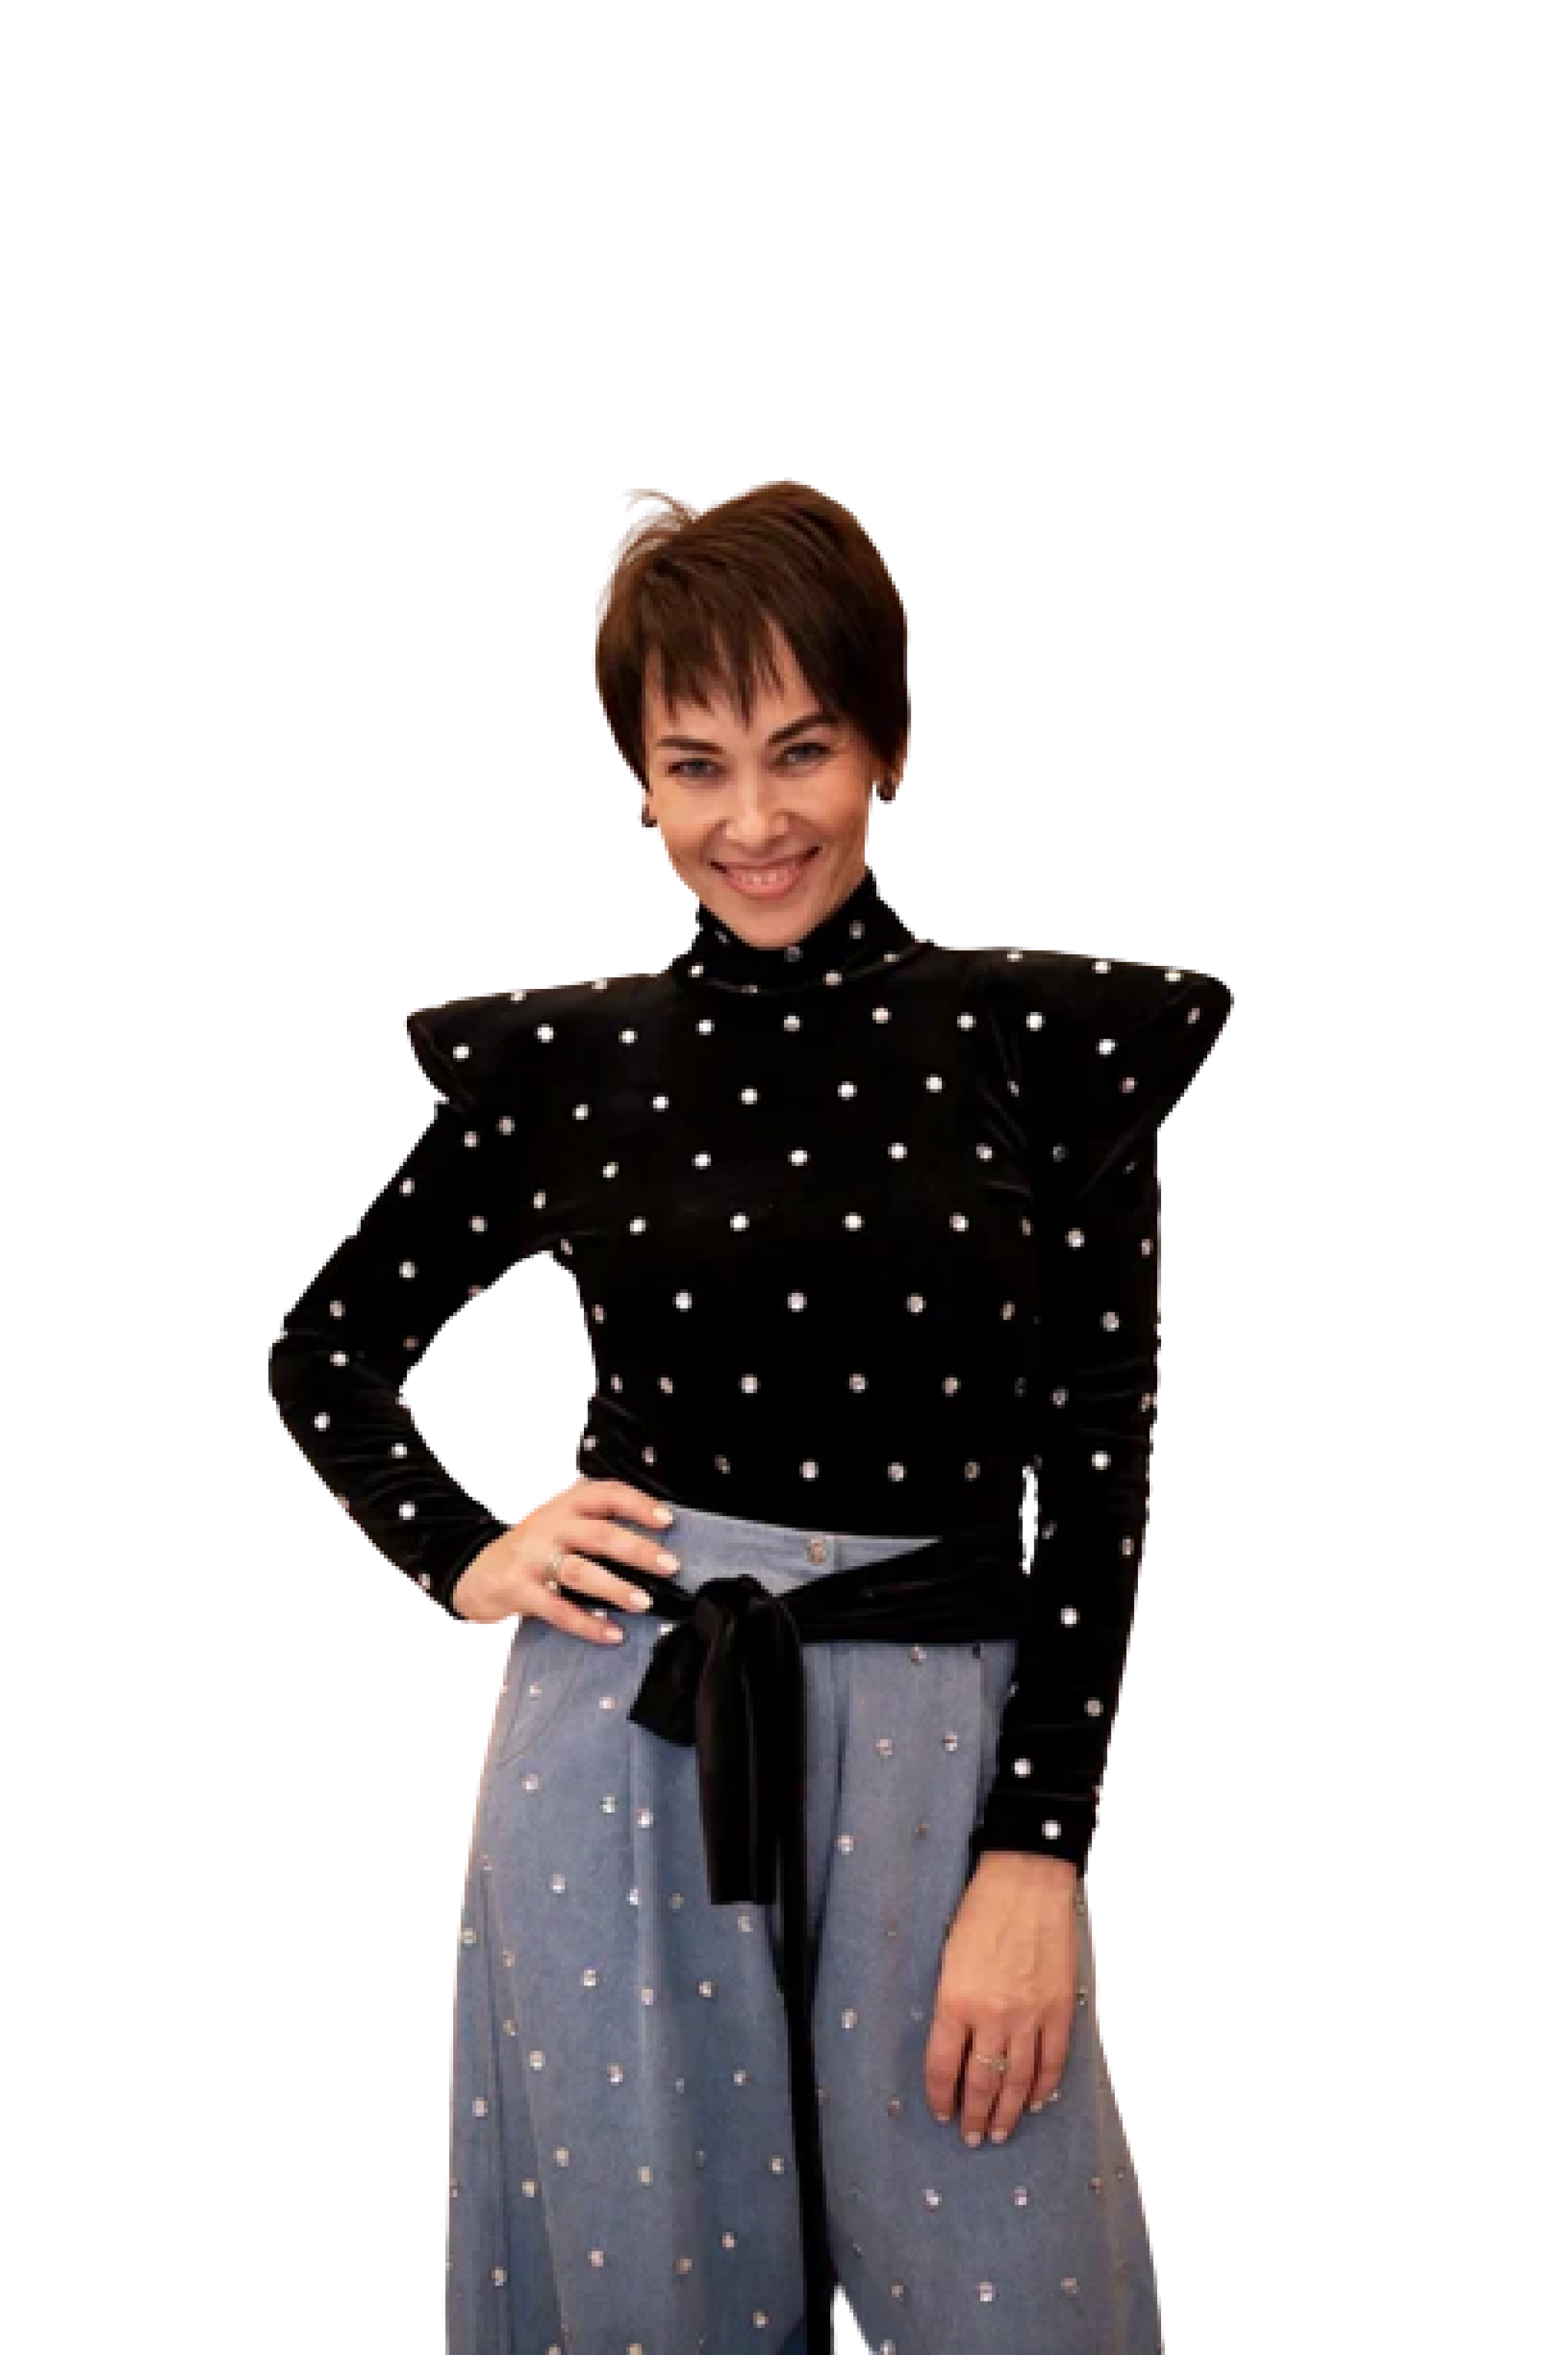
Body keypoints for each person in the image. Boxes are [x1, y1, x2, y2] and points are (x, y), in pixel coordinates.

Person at [269, 482, 1234, 2354]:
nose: (754, 821)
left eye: (801, 750)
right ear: (639, 785)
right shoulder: (565, 1065)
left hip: (944, 1744)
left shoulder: (1047, 1041)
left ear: (888, 748)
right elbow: (329, 1351)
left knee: (1015, 2291)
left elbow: (1100, 1450)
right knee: (646, 2298)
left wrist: (1040, 1851)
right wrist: (467, 1551)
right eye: (693, 766)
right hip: (623, 1726)